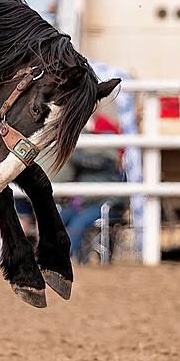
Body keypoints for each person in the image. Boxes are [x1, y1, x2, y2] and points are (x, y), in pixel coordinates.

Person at [58, 113, 124, 263]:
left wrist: (72, 149)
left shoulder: (108, 150)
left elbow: (93, 161)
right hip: (84, 203)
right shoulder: (86, 146)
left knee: (78, 224)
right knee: (56, 220)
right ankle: (45, 257)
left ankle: (65, 261)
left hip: (105, 202)